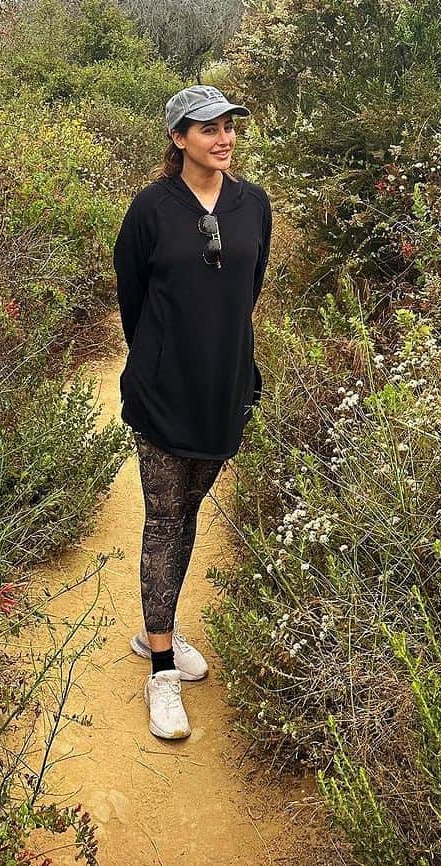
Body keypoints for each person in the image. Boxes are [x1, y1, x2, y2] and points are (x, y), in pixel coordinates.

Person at [112, 84, 273, 740]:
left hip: (224, 388)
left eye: (229, 125)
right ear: (179, 138)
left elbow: (248, 291)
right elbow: (132, 296)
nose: (224, 137)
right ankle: (161, 668)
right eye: (208, 128)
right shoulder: (151, 209)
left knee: (188, 516)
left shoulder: (253, 204)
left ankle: (161, 626)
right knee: (165, 521)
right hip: (162, 392)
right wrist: (157, 362)